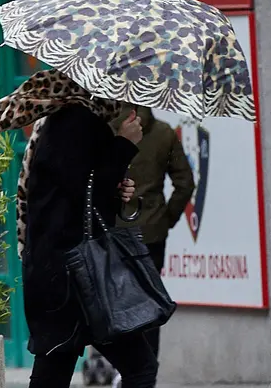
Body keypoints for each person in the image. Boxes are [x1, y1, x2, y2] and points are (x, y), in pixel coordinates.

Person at [0, 69, 157, 387]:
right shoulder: (78, 122)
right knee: (140, 367)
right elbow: (83, 192)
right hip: (75, 276)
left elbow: (78, 194)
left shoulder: (63, 121)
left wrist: (116, 185)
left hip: (59, 273)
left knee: (53, 375)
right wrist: (124, 143)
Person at [112, 104, 195, 359]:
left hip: (114, 232)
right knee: (149, 302)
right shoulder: (164, 132)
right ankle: (148, 369)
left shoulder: (109, 131)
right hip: (152, 233)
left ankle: (124, 368)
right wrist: (165, 219)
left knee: (118, 302)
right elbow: (185, 183)